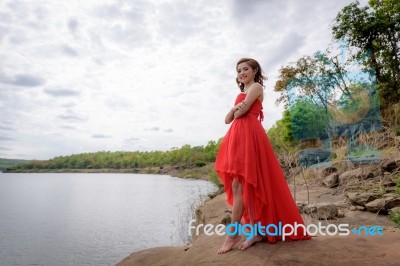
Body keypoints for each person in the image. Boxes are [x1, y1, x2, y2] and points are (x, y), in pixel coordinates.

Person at [215, 58, 310, 254]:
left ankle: (235, 234)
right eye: (239, 70)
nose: (242, 73)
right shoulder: (241, 93)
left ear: (255, 70)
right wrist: (235, 109)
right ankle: (254, 232)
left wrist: (236, 110)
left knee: (243, 184)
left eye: (246, 69)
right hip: (238, 138)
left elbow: (241, 113)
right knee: (242, 184)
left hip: (250, 136)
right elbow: (227, 120)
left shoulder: (256, 86)